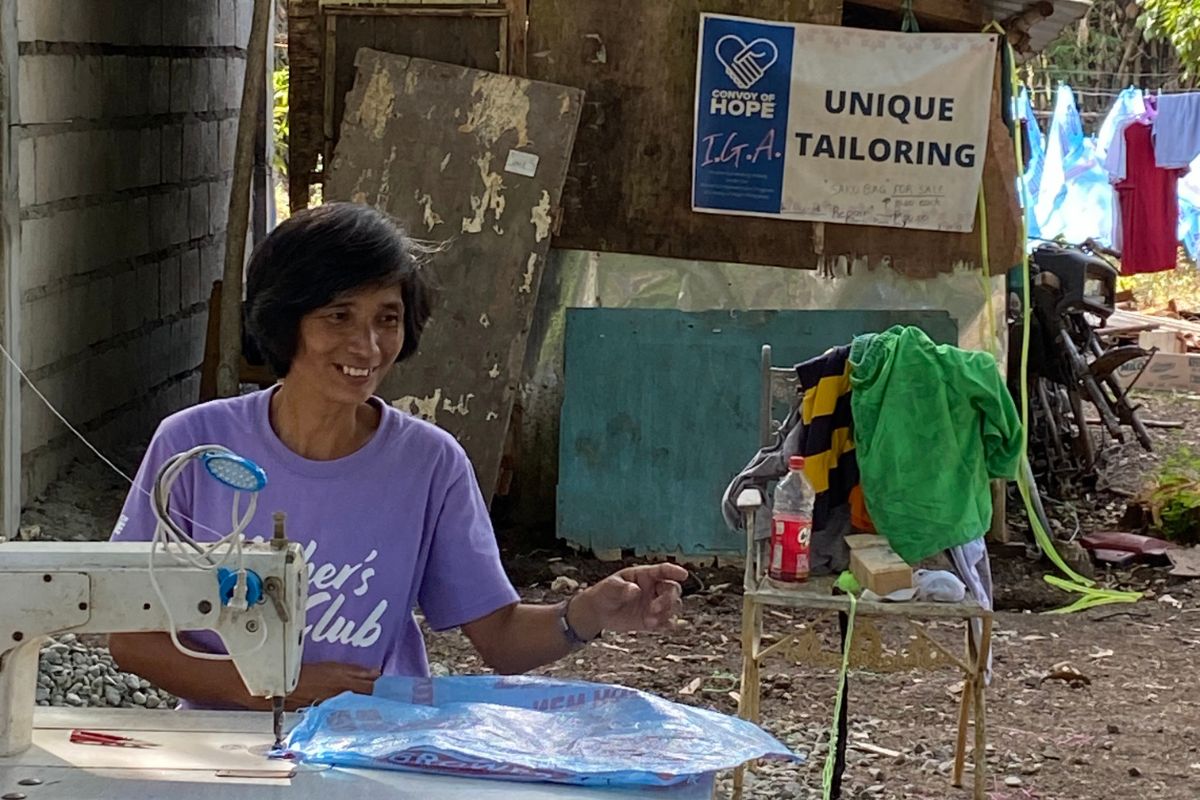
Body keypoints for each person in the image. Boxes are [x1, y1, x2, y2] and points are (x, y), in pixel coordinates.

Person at [107, 202, 687, 710]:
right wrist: (271, 688)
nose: (368, 345)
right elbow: (130, 637)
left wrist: (586, 614)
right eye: (338, 316)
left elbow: (500, 638)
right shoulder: (194, 447)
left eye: (387, 318)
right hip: (218, 750)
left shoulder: (429, 463)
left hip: (374, 745)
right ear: (285, 321)